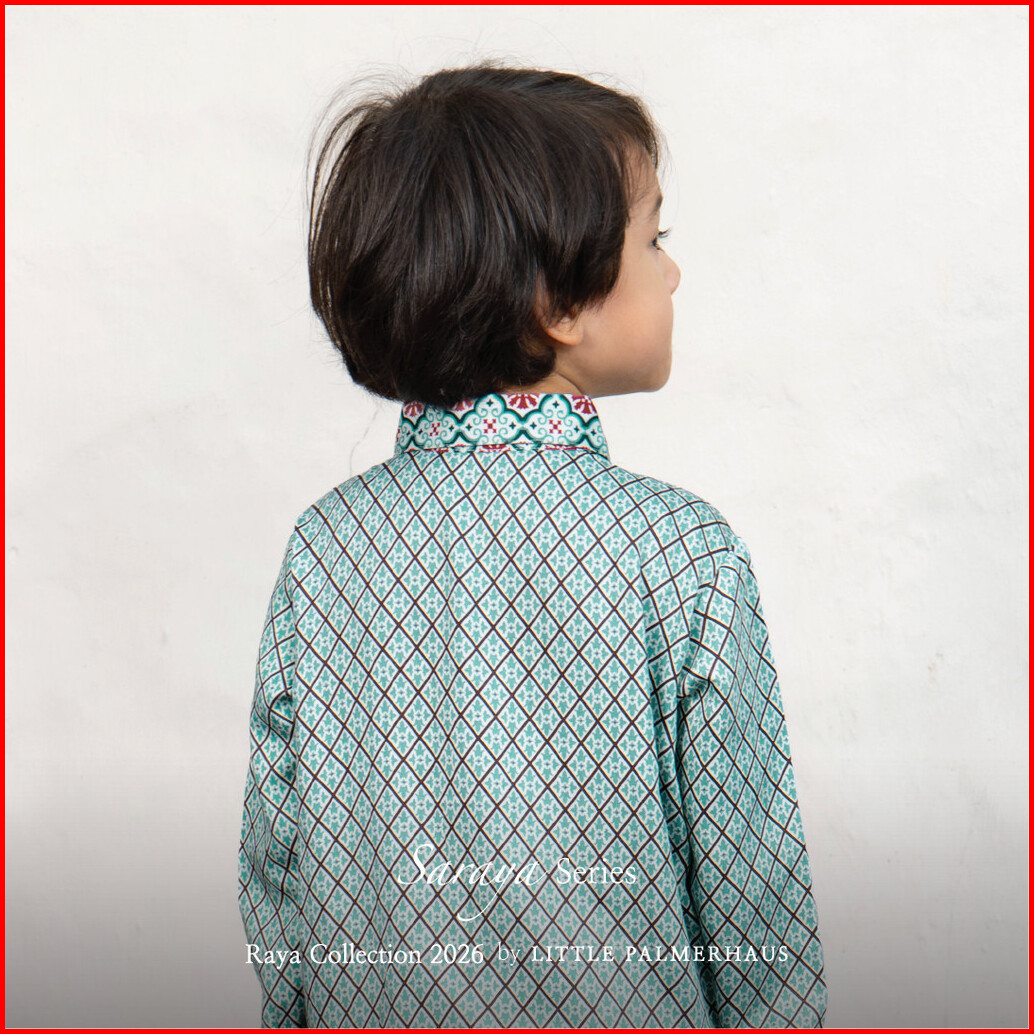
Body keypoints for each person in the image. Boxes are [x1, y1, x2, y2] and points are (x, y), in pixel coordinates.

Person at [238, 64, 827, 1029]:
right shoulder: (681, 554)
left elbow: (280, 869)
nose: (673, 270)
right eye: (654, 239)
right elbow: (754, 899)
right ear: (556, 303)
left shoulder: (324, 554)